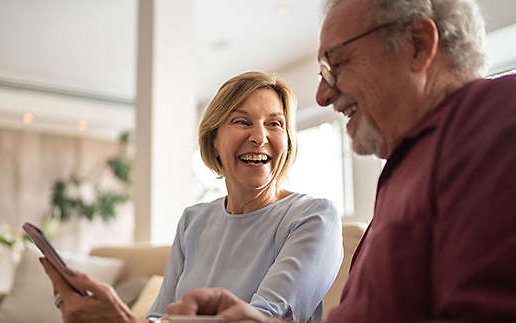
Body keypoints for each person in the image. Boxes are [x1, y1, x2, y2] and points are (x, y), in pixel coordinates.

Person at [165, 0, 516, 322]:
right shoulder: (410, 168)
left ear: (418, 44)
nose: (322, 95)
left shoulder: (499, 123)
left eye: (336, 64)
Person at [40, 71, 344, 323]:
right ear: (213, 142)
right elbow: (159, 316)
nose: (259, 136)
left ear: (288, 142)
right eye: (242, 121)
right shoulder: (193, 221)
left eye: (274, 124)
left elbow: (259, 318)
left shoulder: (312, 217)